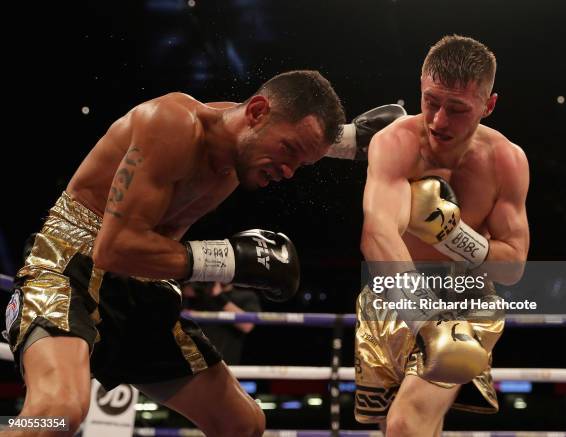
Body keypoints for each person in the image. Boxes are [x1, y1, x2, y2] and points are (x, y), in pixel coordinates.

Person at [1, 68, 403, 437]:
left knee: (243, 425)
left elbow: (291, 121)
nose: (288, 172)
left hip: (143, 286)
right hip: (70, 263)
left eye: (302, 162)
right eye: (289, 152)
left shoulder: (250, 142)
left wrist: (351, 141)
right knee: (59, 411)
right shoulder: (172, 125)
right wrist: (229, 260)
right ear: (257, 112)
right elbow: (113, 248)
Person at [353, 35, 530, 436]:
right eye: (430, 101)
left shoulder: (505, 161)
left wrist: (455, 235)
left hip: (466, 299)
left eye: (457, 109)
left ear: (488, 105)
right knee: (397, 427)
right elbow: (377, 236)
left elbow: (514, 268)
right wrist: (426, 319)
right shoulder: (396, 143)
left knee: (405, 423)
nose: (437, 121)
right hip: (392, 295)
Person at [183, 282, 261, 365]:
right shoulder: (195, 296)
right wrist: (183, 294)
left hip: (227, 363)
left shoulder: (245, 296)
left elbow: (247, 326)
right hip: (194, 362)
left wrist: (219, 297)